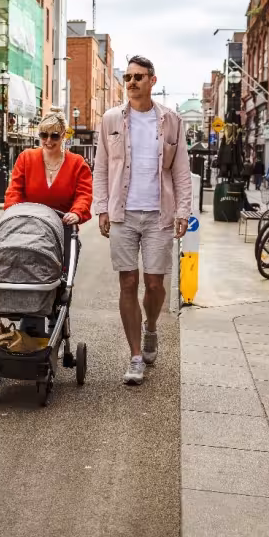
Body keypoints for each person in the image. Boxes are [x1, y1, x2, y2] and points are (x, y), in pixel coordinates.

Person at [93, 55, 192, 386]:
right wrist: (102, 207)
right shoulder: (110, 120)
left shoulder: (172, 121)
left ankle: (151, 328)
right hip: (123, 214)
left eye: (138, 76)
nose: (131, 82)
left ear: (152, 80)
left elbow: (181, 171)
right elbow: (102, 168)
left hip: (158, 215)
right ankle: (136, 355)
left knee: (154, 284)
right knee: (128, 283)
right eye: (127, 77)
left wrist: (183, 211)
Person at [4, 107, 93, 266]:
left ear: (64, 135)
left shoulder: (77, 163)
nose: (48, 141)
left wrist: (77, 212)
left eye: (54, 136)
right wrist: (12, 214)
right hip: (28, 227)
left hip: (62, 227)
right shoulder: (26, 158)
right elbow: (14, 191)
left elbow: (84, 194)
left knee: (62, 273)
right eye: (44, 135)